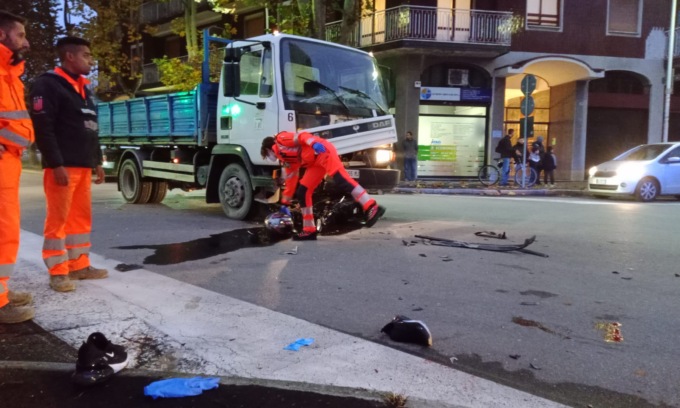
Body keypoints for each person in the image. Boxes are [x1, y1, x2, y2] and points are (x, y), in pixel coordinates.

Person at [30, 36, 108, 293]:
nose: (91, 60)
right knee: (58, 221)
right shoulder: (47, 85)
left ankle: (79, 265)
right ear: (70, 57)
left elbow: (91, 127)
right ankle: (58, 271)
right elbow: (43, 128)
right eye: (86, 55)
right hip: (62, 167)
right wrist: (55, 163)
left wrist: (96, 161)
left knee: (80, 220)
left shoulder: (83, 89)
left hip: (83, 165)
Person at [261, 131, 385, 241]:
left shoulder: (281, 139)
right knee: (303, 192)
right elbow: (291, 180)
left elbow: (302, 136)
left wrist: (314, 143)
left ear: (267, 149)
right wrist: (285, 202)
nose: (269, 158)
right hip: (314, 163)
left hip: (322, 151)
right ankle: (309, 230)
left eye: (266, 155)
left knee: (342, 180)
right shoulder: (286, 159)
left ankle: (371, 206)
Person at [0, 10, 35, 324]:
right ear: (2, 36)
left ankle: (1, 292)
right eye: (21, 34)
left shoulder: (10, 73)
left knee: (6, 231)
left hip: (8, 164)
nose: (26, 41)